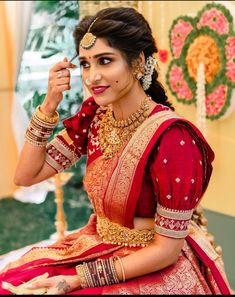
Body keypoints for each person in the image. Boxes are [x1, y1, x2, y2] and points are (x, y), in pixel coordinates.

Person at [0, 6, 232, 295]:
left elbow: (166, 251)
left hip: (150, 263)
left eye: (105, 61)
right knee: (12, 282)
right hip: (99, 243)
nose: (92, 76)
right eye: (85, 64)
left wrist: (80, 279)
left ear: (137, 63)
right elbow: (26, 175)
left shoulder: (172, 138)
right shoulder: (94, 119)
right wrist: (49, 106)